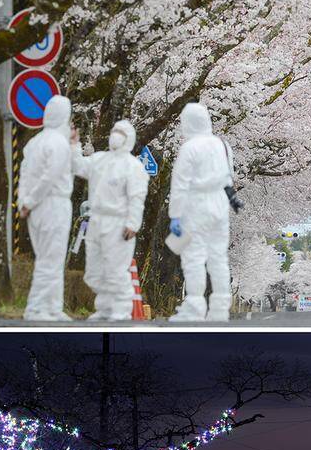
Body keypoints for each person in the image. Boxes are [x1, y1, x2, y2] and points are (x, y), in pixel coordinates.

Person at [71, 120, 149, 321]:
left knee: (116, 271)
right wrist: (73, 146)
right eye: (114, 130)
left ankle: (121, 311)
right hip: (96, 220)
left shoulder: (133, 167)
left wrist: (133, 223)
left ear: (129, 138)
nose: (115, 135)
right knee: (94, 272)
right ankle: (105, 309)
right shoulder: (99, 160)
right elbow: (77, 165)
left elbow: (137, 197)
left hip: (119, 224)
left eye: (120, 132)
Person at [168, 102, 233, 322]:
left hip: (196, 205)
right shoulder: (222, 145)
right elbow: (229, 177)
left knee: (194, 256)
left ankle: (195, 307)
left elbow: (180, 184)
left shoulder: (190, 147)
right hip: (220, 204)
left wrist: (175, 215)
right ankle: (220, 309)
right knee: (218, 256)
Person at [19, 95, 74, 321]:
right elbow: (49, 177)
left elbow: (24, 175)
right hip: (53, 203)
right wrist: (31, 200)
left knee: (48, 255)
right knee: (51, 258)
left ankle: (52, 307)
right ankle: (36, 308)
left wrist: (25, 202)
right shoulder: (59, 143)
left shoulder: (34, 142)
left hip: (36, 207)